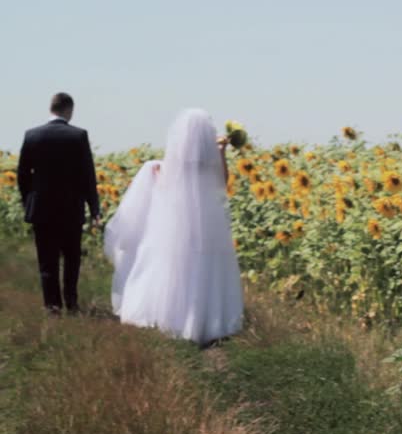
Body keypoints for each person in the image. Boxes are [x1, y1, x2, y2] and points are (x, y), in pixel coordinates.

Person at [104, 108, 242, 344]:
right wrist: (222, 151)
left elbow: (165, 187)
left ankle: (173, 315)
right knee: (206, 265)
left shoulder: (173, 162)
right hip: (208, 223)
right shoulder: (212, 159)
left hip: (177, 224)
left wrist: (155, 171)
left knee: (173, 266)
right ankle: (207, 317)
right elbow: (222, 182)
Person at [17, 93, 100, 315]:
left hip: (42, 209)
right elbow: (87, 176)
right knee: (72, 258)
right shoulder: (78, 136)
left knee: (47, 259)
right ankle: (71, 302)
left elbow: (22, 175)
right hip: (71, 208)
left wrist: (29, 202)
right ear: (69, 110)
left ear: (51, 108)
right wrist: (95, 209)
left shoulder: (32, 135)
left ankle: (52, 305)